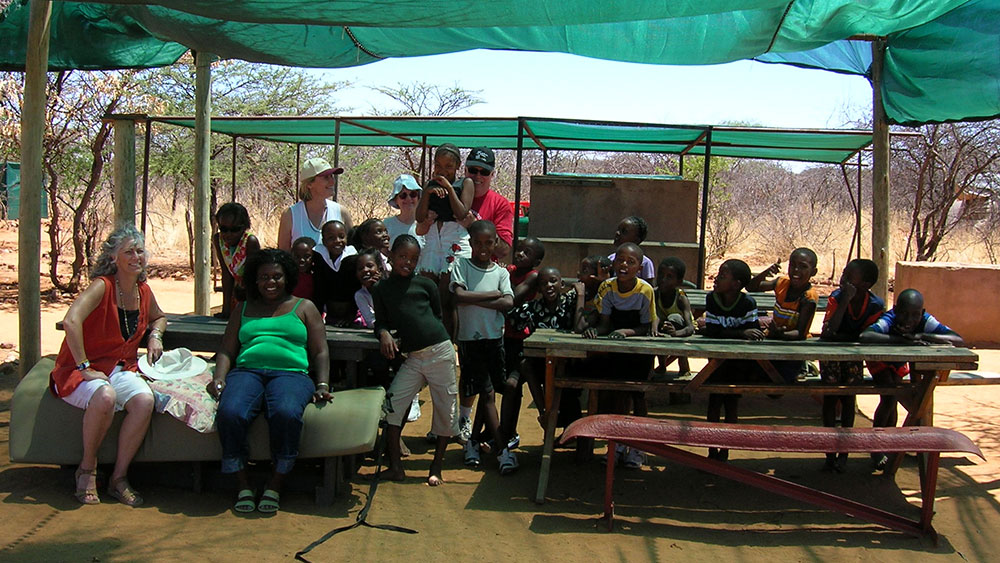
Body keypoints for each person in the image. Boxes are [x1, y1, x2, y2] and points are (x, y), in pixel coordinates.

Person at [51, 225, 167, 506]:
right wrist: (83, 366)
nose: (136, 257)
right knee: (105, 396)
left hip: (119, 368)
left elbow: (159, 317)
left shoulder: (142, 291)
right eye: (128, 252)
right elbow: (71, 321)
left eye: (139, 251)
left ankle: (118, 477)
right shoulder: (102, 286)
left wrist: (155, 335)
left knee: (144, 400)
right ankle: (87, 469)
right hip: (78, 371)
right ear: (113, 257)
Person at [208, 249, 331, 513]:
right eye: (264, 277)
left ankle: (276, 483)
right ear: (254, 279)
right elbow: (227, 349)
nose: (270, 282)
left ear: (288, 277)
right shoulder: (243, 308)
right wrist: (219, 377)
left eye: (276, 276)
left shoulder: (304, 307)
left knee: (286, 413)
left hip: (291, 373)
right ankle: (242, 484)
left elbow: (320, 351)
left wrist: (322, 384)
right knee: (230, 412)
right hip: (247, 371)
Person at [371, 235, 459, 486]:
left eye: (413, 259)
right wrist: (384, 333)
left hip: (439, 352)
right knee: (393, 405)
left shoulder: (426, 285)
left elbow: (437, 316)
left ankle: (436, 466)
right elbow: (381, 322)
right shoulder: (381, 289)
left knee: (445, 409)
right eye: (402, 257)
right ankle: (396, 467)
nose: (407, 263)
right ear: (390, 255)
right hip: (412, 358)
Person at [860, 288, 964, 470]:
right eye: (904, 314)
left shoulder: (925, 320)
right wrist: (902, 340)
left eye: (915, 315)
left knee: (896, 398)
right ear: (895, 310)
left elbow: (957, 339)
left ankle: (888, 444)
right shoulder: (889, 319)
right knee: (889, 396)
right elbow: (866, 336)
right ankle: (876, 447)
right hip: (879, 360)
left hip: (899, 363)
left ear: (922, 313)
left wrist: (921, 335)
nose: (909, 319)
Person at [583, 242, 658, 469]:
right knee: (616, 396)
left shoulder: (645, 291)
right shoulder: (607, 287)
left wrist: (626, 332)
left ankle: (638, 448)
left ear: (639, 268)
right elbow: (605, 323)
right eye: (620, 260)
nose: (624, 265)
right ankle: (615, 445)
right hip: (617, 350)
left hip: (638, 351)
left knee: (637, 395)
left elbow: (646, 326)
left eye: (631, 262)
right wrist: (595, 330)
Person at [450, 220, 517, 473]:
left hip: (494, 340)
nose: (483, 248)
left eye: (488, 243)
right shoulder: (462, 266)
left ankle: (473, 442)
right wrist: (492, 295)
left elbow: (508, 302)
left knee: (486, 391)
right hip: (470, 341)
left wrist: (474, 300)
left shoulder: (500, 273)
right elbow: (458, 296)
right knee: (486, 393)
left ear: (496, 243)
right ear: (470, 243)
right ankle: (503, 451)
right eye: (477, 243)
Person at [819, 259, 884, 472]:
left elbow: (868, 337)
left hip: (854, 357)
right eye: (844, 273)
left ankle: (844, 452)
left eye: (850, 276)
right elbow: (829, 332)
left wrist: (842, 335)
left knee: (849, 400)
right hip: (831, 355)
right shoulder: (837, 298)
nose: (843, 278)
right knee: (830, 399)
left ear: (865, 284)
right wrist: (846, 300)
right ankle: (829, 452)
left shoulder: (875, 305)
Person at [701, 258, 764, 462]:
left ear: (736, 284)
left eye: (722, 276)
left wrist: (729, 333)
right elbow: (712, 330)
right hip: (717, 361)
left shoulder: (747, 303)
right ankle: (711, 450)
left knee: (731, 404)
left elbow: (753, 332)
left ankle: (725, 450)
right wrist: (739, 333)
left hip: (738, 363)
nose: (716, 279)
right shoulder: (712, 299)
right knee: (714, 402)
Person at [511, 266, 587, 430]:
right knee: (525, 365)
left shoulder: (570, 303)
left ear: (562, 284)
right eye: (543, 283)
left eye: (553, 281)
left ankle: (567, 430)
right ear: (538, 288)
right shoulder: (533, 307)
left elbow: (580, 327)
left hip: (568, 363)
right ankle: (544, 412)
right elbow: (512, 317)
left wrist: (580, 295)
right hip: (542, 363)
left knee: (569, 403)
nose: (549, 286)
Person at [415, 143, 476, 337]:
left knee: (447, 296)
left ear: (458, 166)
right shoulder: (430, 185)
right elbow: (419, 216)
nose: (443, 171)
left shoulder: (465, 183)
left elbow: (461, 212)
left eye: (448, 166)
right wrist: (427, 192)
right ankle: (430, 338)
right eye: (438, 166)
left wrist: (449, 189)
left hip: (454, 239)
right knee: (428, 291)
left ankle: (450, 342)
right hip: (433, 238)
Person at [748, 247, 820, 382]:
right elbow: (751, 287)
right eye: (793, 265)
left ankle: (803, 366)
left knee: (777, 381)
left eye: (803, 267)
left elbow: (800, 333)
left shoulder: (808, 298)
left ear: (813, 272)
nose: (796, 270)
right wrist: (765, 273)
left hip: (794, 346)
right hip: (774, 338)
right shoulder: (781, 283)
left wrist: (779, 334)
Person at [277, 157, 352, 251]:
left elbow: (352, 250)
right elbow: (283, 254)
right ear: (309, 184)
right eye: (326, 177)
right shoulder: (290, 215)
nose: (332, 182)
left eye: (332, 176)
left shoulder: (342, 212)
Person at [458, 147, 513, 262]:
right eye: (473, 170)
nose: (478, 176)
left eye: (484, 172)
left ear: (492, 174)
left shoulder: (500, 204)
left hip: (482, 269)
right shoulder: (452, 195)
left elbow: (504, 251)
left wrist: (474, 225)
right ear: (465, 170)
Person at [213, 202, 261, 318]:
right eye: (224, 229)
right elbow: (226, 272)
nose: (228, 234)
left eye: (235, 229)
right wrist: (226, 310)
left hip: (252, 292)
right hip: (236, 292)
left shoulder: (250, 242)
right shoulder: (218, 240)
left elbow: (252, 276)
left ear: (244, 227)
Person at [653, 257, 695, 376]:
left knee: (674, 317)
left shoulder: (681, 298)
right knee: (657, 327)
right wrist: (654, 329)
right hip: (664, 327)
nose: (663, 280)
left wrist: (676, 333)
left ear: (679, 281)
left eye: (669, 277)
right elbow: (655, 314)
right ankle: (662, 365)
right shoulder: (655, 294)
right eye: (661, 275)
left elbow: (690, 328)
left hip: (681, 329)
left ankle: (683, 365)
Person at [313, 220, 358, 326]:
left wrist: (351, 315)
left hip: (351, 314)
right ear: (324, 241)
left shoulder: (352, 258)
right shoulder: (319, 257)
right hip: (329, 313)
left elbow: (355, 289)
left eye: (341, 236)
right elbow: (319, 289)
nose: (337, 241)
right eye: (331, 238)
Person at [383, 173, 427, 247]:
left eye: (413, 194)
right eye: (403, 195)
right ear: (396, 200)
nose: (408, 199)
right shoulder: (387, 224)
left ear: (418, 198)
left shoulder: (425, 224)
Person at [608, 216, 655, 283]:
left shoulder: (645, 263)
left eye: (624, 232)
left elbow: (648, 286)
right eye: (618, 229)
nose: (617, 233)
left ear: (636, 240)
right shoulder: (611, 258)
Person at [575, 254, 612, 333]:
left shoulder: (601, 300)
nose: (578, 273)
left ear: (597, 277)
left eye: (584, 271)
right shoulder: (574, 295)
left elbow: (580, 328)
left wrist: (581, 295)